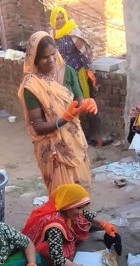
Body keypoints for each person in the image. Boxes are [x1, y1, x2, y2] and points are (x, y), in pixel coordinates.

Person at [17, 31, 97, 194]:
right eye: (45, 57)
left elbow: (78, 104)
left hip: (74, 143)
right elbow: (38, 125)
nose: (52, 60)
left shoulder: (68, 72)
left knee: (81, 195)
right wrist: (63, 119)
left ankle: (85, 219)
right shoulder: (32, 86)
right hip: (53, 151)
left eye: (54, 54)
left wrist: (88, 104)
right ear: (35, 59)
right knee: (64, 199)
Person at [22, 183, 115, 266]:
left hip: (58, 231)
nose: (80, 212)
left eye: (81, 208)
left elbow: (84, 213)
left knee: (80, 219)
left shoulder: (63, 207)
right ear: (66, 206)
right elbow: (57, 258)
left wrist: (103, 224)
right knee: (52, 251)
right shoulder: (54, 225)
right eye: (78, 208)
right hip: (38, 250)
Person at [50, 6, 94, 99]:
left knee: (81, 97)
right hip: (62, 74)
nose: (60, 21)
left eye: (62, 18)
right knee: (68, 100)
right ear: (53, 20)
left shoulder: (72, 30)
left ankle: (86, 112)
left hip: (77, 71)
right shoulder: (52, 34)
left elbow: (82, 51)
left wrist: (88, 69)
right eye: (57, 19)